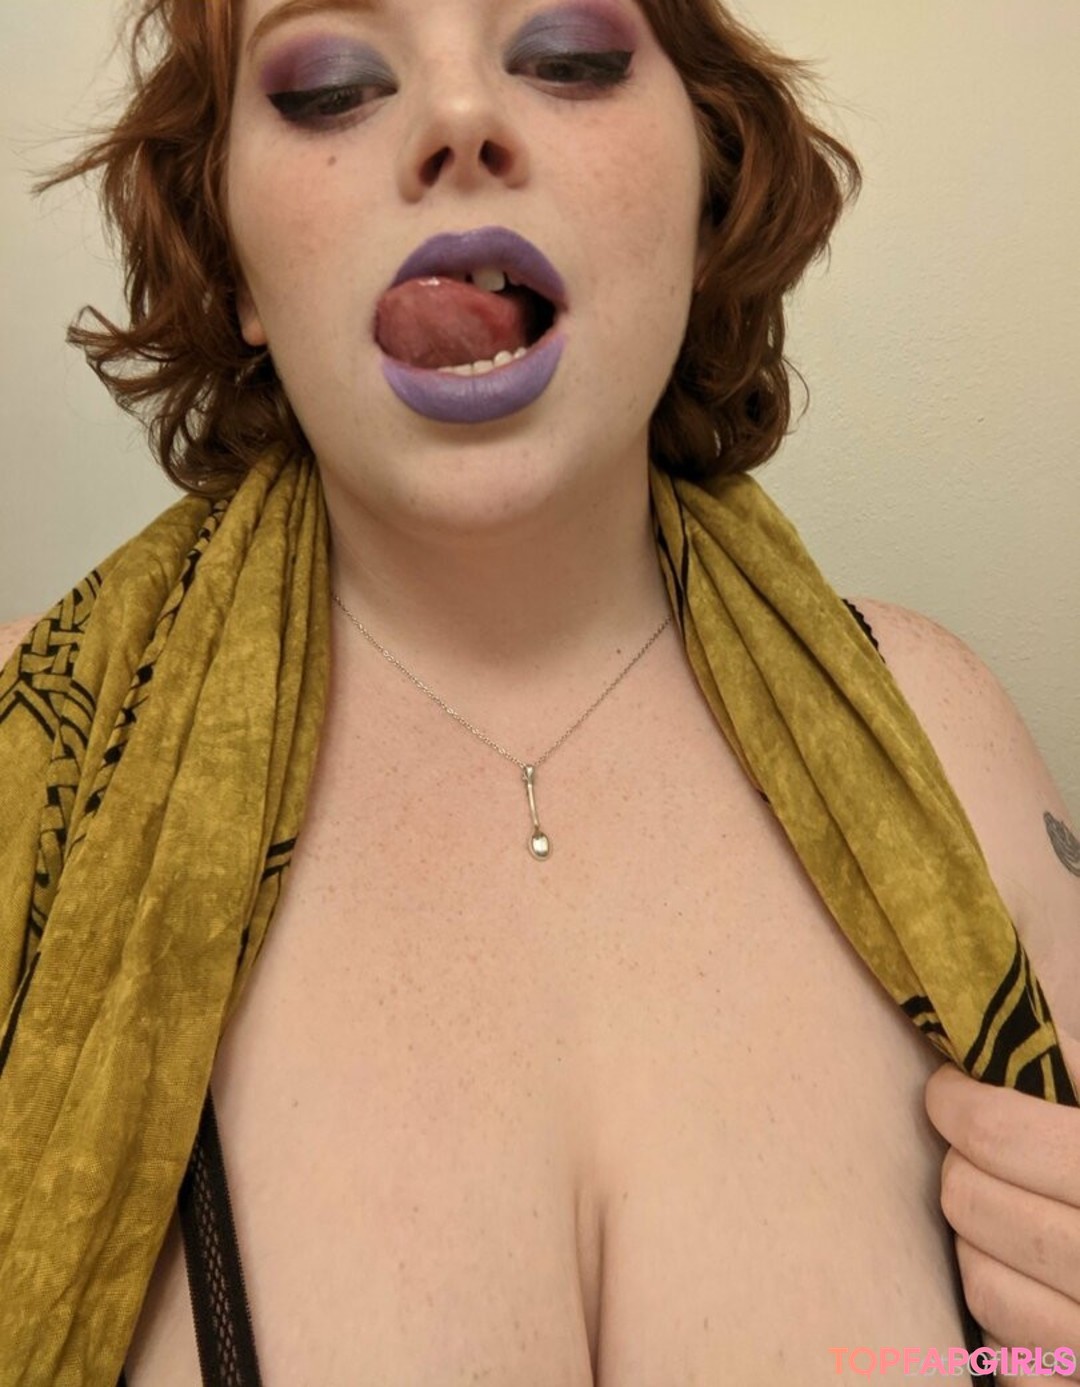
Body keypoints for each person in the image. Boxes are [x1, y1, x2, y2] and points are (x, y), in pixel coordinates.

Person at [0, 1, 1077, 1384]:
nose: (459, 120)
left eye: (568, 57)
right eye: (331, 83)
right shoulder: (31, 770)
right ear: (236, 264)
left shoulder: (945, 734)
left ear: (707, 188)